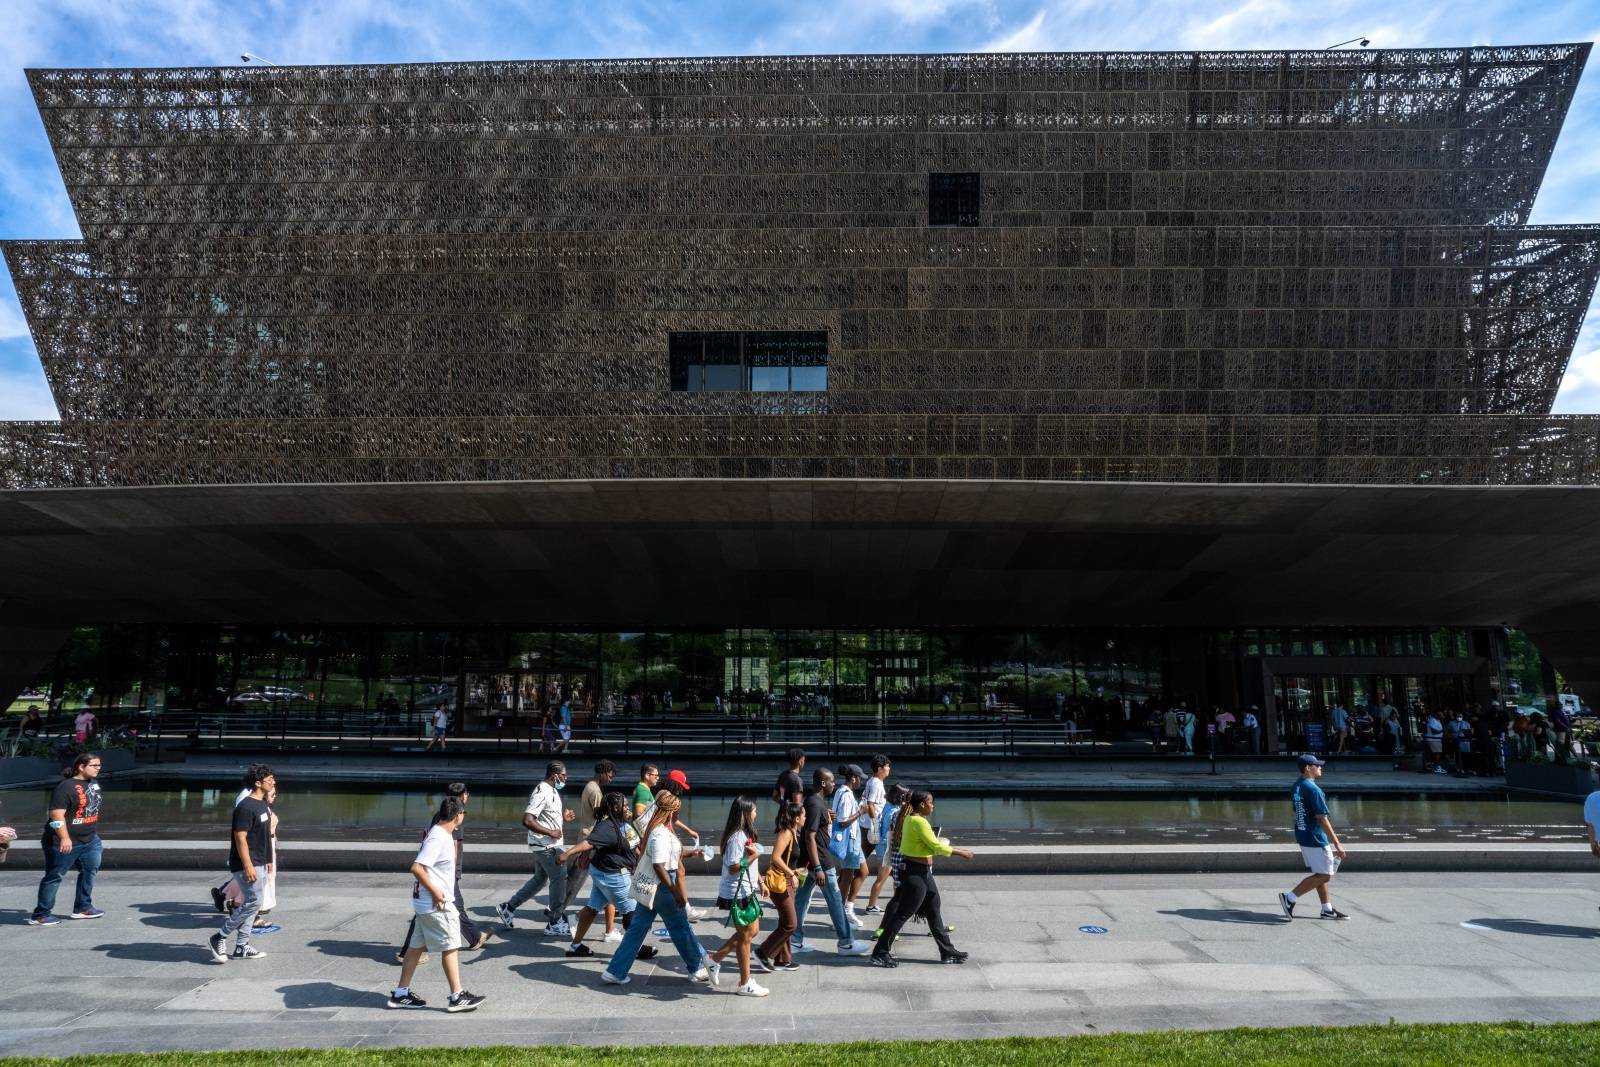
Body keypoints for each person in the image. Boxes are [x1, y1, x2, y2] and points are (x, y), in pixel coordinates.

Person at [602, 790, 715, 987]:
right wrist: (675, 892)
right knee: (680, 927)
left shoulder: (658, 830)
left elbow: (667, 856)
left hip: (653, 887)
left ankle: (615, 971)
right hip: (663, 885)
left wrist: (692, 853)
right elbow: (659, 865)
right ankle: (698, 966)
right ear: (671, 813)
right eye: (677, 811)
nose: (679, 815)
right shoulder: (660, 833)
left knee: (636, 930)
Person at [387, 797, 486, 1012]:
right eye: (463, 814)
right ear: (458, 815)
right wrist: (436, 893)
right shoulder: (439, 837)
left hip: (426, 904)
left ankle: (400, 994)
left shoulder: (439, 833)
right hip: (436, 904)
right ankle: (457, 996)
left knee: (415, 948)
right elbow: (416, 868)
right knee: (451, 945)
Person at [869, 789, 973, 967]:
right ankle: (880, 952)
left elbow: (928, 845)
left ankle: (947, 951)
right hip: (914, 873)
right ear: (923, 804)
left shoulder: (912, 819)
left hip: (921, 871)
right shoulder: (918, 821)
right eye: (931, 802)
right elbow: (935, 846)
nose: (933, 806)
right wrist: (961, 852)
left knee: (933, 908)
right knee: (903, 914)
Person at [558, 791, 657, 963]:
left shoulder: (623, 824)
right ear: (614, 808)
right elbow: (589, 842)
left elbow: (634, 846)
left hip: (603, 873)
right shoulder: (607, 827)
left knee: (592, 908)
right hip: (613, 876)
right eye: (624, 805)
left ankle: (575, 947)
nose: (627, 807)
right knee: (632, 912)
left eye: (627, 804)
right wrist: (567, 853)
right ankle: (635, 949)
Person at [398, 781, 487, 960]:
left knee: (452, 906)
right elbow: (453, 846)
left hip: (441, 871)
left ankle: (474, 936)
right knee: (441, 908)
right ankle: (408, 952)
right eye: (467, 794)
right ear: (463, 796)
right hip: (444, 872)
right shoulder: (454, 817)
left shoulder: (442, 813)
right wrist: (452, 871)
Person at [790, 768, 871, 956]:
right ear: (823, 783)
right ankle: (846, 943)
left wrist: (827, 819)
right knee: (835, 900)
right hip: (821, 863)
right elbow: (810, 837)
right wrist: (818, 867)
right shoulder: (815, 804)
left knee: (801, 901)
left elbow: (813, 829)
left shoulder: (815, 803)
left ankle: (795, 940)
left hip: (808, 862)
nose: (835, 784)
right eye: (832, 781)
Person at [497, 760, 575, 937]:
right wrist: (550, 832)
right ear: (555, 774)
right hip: (546, 846)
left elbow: (545, 816)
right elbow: (528, 820)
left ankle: (508, 908)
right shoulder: (541, 792)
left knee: (540, 880)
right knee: (560, 878)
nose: (566, 778)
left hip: (544, 844)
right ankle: (555, 921)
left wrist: (563, 819)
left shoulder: (552, 790)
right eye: (563, 775)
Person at [29, 751, 105, 926]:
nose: (98, 769)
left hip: (91, 839)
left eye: (99, 765)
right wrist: (64, 838)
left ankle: (83, 907)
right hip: (63, 842)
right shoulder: (65, 787)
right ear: (81, 766)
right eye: (94, 765)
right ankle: (41, 914)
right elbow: (56, 816)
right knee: (54, 876)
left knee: (89, 871)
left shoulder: (93, 783)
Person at [209, 764, 275, 961]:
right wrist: (247, 865)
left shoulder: (262, 804)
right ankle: (219, 936)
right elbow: (240, 838)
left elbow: (264, 836)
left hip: (260, 861)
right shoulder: (245, 806)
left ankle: (242, 946)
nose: (273, 782)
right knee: (253, 901)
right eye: (269, 779)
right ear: (257, 783)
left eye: (273, 778)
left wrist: (269, 860)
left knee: (254, 904)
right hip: (247, 863)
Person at [705, 796, 770, 997]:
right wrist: (753, 856)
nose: (756, 813)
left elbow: (747, 865)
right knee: (745, 937)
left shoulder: (744, 834)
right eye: (754, 810)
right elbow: (734, 867)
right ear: (745, 813)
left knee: (753, 930)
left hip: (747, 888)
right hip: (736, 892)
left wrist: (760, 881)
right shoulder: (736, 837)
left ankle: (714, 959)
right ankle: (745, 983)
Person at [1278, 754, 1349, 921]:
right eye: (1317, 765)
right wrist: (1337, 843)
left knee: (1320, 872)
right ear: (1308, 768)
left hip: (1303, 833)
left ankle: (1327, 909)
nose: (1320, 767)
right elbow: (1322, 818)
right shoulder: (1314, 789)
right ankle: (1290, 898)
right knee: (1325, 875)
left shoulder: (1297, 786)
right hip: (1315, 837)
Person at [563, 760, 621, 940]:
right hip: (592, 842)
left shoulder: (591, 786)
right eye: (610, 776)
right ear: (603, 772)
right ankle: (558, 915)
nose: (610, 780)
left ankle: (562, 914)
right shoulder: (595, 790)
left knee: (592, 883)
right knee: (577, 882)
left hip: (591, 840)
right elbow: (601, 817)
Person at [756, 801, 805, 972]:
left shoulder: (793, 832)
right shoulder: (786, 833)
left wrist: (795, 871)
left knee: (785, 921)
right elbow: (775, 858)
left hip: (788, 882)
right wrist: (791, 873)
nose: (805, 818)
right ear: (797, 818)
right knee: (791, 923)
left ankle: (782, 960)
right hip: (780, 884)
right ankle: (763, 952)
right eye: (804, 815)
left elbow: (786, 859)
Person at [831, 764, 869, 927]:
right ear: (853, 778)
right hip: (850, 840)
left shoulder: (843, 792)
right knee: (847, 877)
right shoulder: (846, 795)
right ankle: (841, 916)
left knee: (863, 871)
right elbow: (843, 821)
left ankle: (847, 908)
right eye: (860, 778)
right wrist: (861, 812)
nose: (861, 781)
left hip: (853, 839)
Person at [865, 783, 909, 914]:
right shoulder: (894, 811)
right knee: (882, 879)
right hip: (887, 848)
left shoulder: (888, 806)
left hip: (883, 846)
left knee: (896, 878)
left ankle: (898, 902)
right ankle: (871, 906)